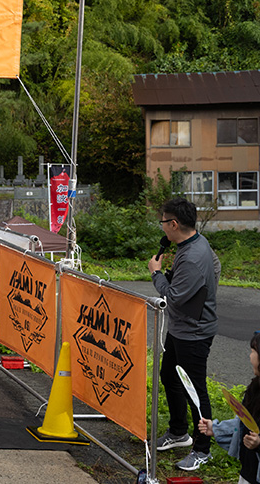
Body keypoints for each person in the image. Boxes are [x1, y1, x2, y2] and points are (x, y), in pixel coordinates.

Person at [149, 197, 219, 471]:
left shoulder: (191, 257)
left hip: (194, 333)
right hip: (181, 328)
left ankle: (202, 449)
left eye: (163, 222)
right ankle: (179, 432)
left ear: (174, 224)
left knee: (195, 389)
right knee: (169, 376)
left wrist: (157, 274)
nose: (162, 226)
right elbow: (216, 268)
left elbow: (174, 298)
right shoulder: (196, 243)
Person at [197, 332, 260, 484]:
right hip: (249, 470)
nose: (250, 356)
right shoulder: (254, 388)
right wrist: (215, 428)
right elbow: (243, 423)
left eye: (253, 351)